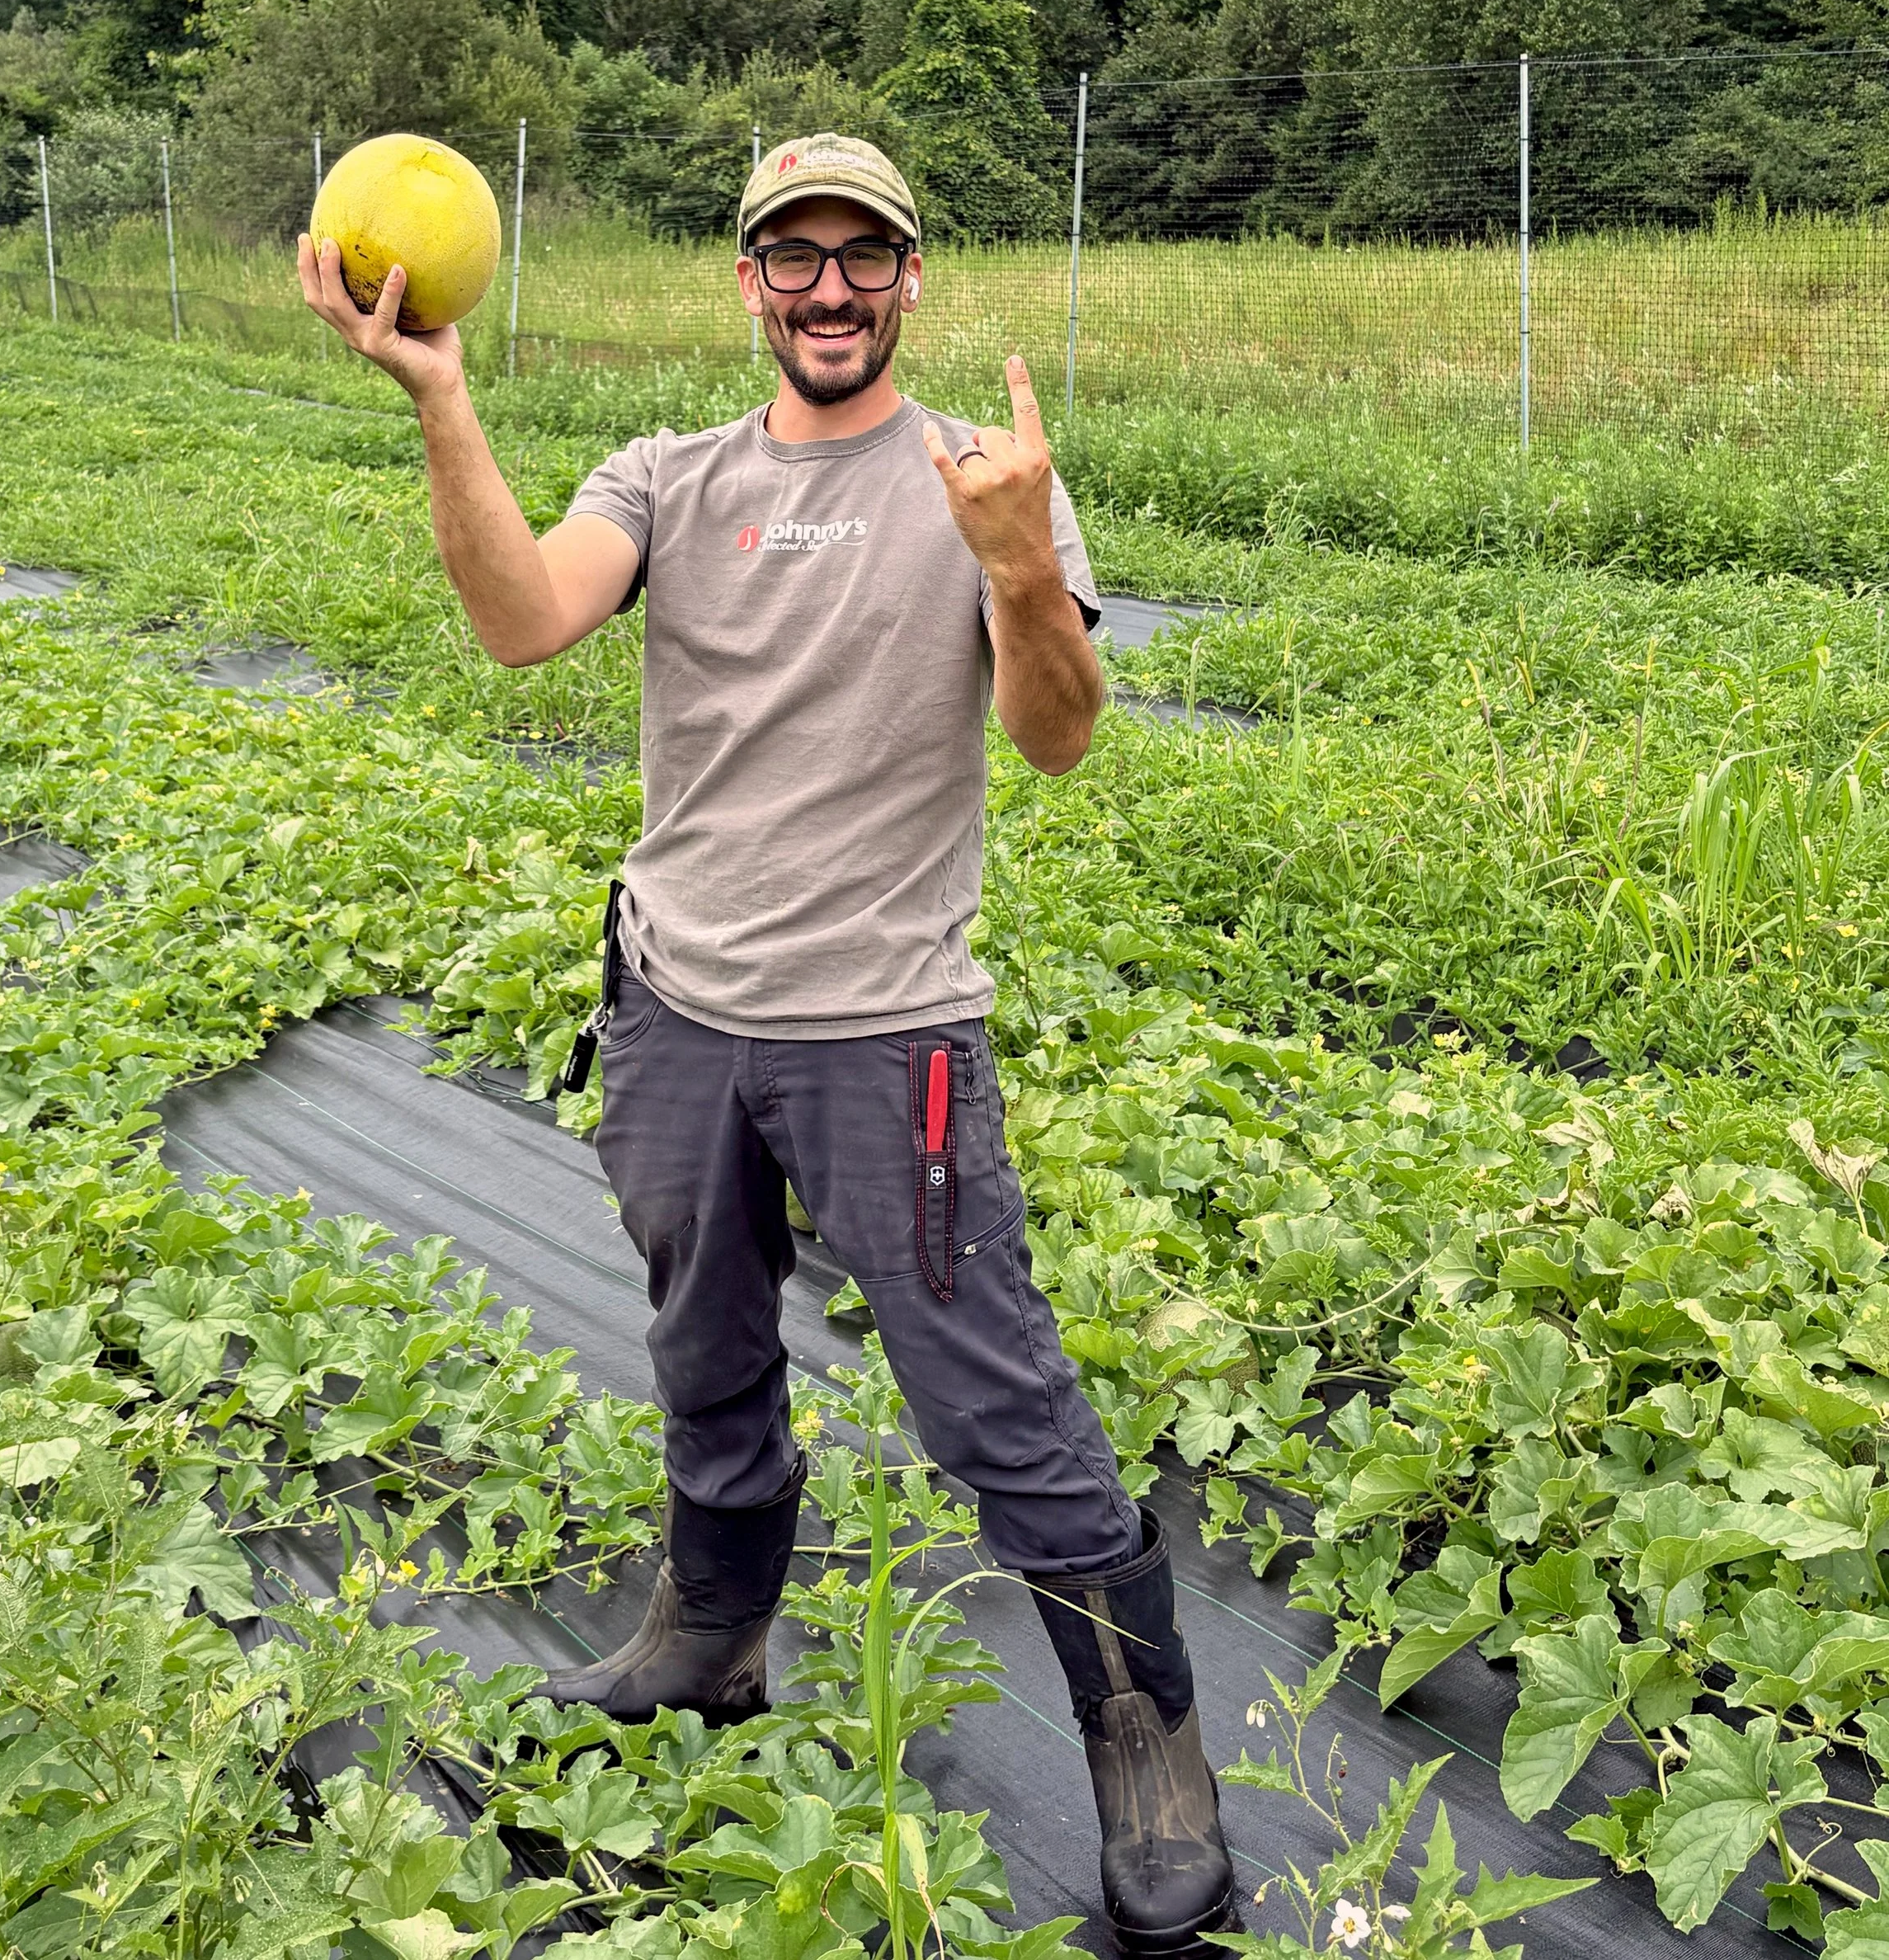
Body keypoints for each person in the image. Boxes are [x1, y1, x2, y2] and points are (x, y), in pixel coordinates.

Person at [299, 132, 1237, 1956]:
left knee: (996, 1393)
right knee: (700, 1334)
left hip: (887, 1031)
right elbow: (519, 620)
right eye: (790, 257)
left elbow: (1052, 739)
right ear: (746, 282)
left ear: (906, 277)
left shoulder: (987, 479)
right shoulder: (668, 471)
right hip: (675, 1011)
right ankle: (711, 1631)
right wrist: (439, 399)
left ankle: (1147, 1739)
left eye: (859, 257)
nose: (826, 288)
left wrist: (1020, 567)